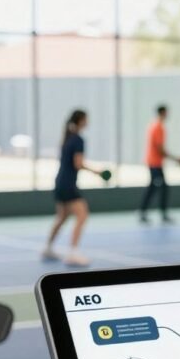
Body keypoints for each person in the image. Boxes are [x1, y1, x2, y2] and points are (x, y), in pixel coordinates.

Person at [43, 109, 104, 267]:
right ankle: (73, 253)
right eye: (86, 119)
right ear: (81, 121)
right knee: (82, 215)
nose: (88, 122)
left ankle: (48, 248)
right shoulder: (78, 140)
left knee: (62, 217)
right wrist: (97, 172)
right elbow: (78, 164)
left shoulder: (67, 138)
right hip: (68, 184)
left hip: (59, 182)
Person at [140, 105, 173, 224]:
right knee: (156, 188)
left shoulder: (154, 126)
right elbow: (160, 149)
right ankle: (145, 212)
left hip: (155, 163)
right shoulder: (158, 128)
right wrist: (176, 159)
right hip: (154, 163)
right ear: (162, 113)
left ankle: (158, 213)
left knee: (158, 187)